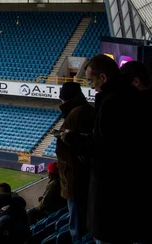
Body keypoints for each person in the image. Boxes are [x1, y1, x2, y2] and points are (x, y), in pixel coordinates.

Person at [62, 54, 149, 243]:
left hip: (113, 196)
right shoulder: (130, 96)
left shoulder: (113, 102)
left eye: (91, 80)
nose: (91, 86)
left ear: (103, 78)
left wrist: (72, 138)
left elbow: (104, 147)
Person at [55, 81, 95, 242]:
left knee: (77, 226)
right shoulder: (86, 110)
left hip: (75, 179)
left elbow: (76, 149)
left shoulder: (76, 115)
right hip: (80, 178)